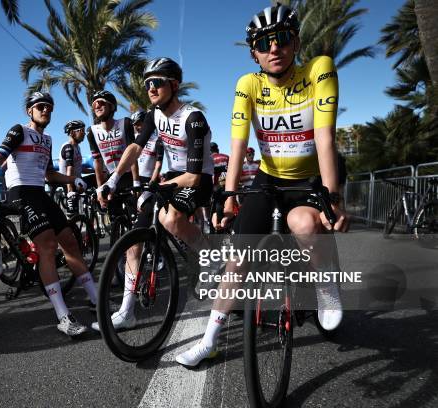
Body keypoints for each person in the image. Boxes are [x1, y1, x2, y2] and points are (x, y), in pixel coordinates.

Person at [175, 2, 349, 367]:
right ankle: (209, 340)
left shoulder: (319, 70)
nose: (274, 47)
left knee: (304, 225)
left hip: (308, 177)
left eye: (282, 38)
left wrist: (332, 199)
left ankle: (326, 289)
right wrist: (228, 199)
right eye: (264, 42)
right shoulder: (248, 84)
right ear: (254, 52)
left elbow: (324, 137)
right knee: (238, 259)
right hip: (268, 178)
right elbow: (238, 145)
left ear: (296, 42)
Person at [93, 57, 214, 331]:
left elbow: (194, 176)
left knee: (171, 221)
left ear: (173, 85)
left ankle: (211, 259)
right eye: (147, 83)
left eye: (156, 82)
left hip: (198, 178)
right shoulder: (153, 115)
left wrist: (160, 186)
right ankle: (126, 311)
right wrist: (113, 180)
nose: (150, 88)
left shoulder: (192, 118)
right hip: (172, 177)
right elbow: (135, 148)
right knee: (133, 244)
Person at [0, 90, 97, 337]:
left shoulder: (47, 140)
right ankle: (63, 316)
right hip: (20, 192)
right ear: (30, 111)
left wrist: (73, 179)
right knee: (48, 246)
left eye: (49, 106)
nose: (45, 109)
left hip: (40, 192)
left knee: (70, 241)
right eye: (40, 106)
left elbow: (50, 175)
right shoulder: (19, 131)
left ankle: (95, 298)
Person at [86, 90, 139, 213]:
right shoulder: (92, 131)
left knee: (133, 214)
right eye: (94, 104)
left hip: (128, 176)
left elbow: (133, 155)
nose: (97, 106)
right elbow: (97, 161)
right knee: (114, 215)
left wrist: (136, 182)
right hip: (110, 178)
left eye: (101, 103)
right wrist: (99, 187)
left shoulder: (125, 123)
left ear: (112, 106)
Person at [59, 120, 86, 213]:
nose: (84, 133)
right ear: (72, 133)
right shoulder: (68, 147)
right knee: (73, 215)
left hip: (77, 180)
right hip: (69, 183)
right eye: (81, 131)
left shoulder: (77, 147)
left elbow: (78, 168)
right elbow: (68, 170)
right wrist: (70, 191)